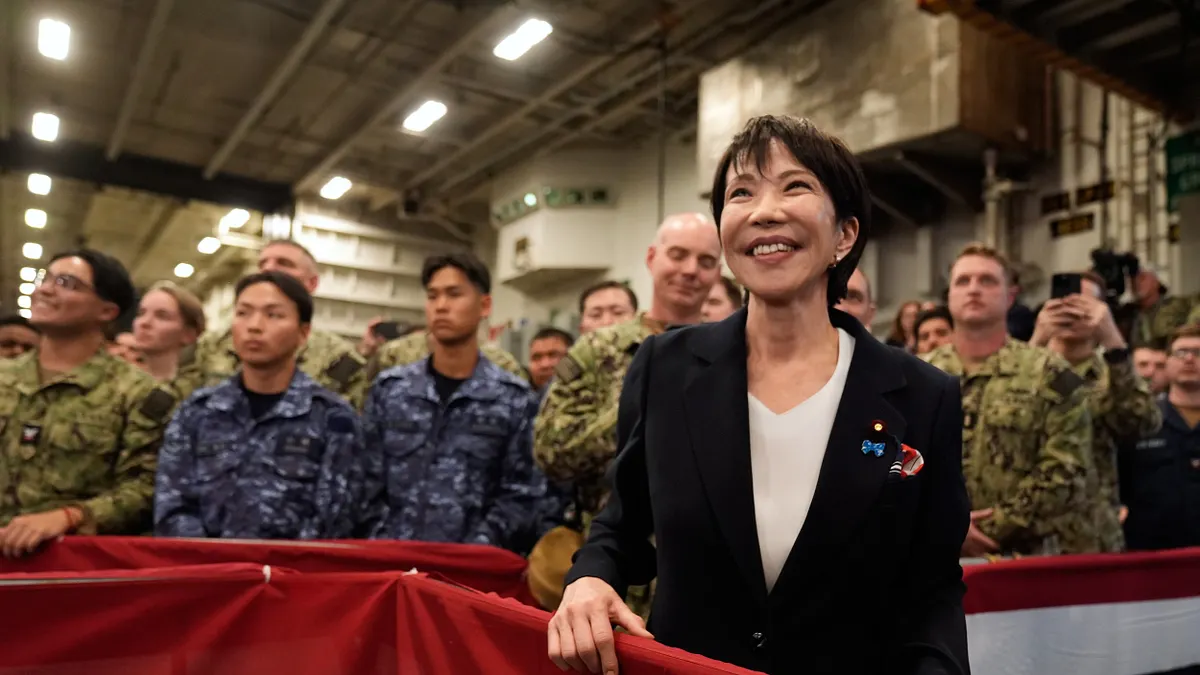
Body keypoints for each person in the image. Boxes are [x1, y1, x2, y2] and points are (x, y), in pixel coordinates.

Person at [548, 115, 969, 675]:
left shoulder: (922, 396)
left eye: (795, 186)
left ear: (844, 235)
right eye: (741, 193)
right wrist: (590, 578)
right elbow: (622, 525)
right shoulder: (665, 368)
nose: (763, 211)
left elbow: (933, 586)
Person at [534, 212, 722, 616]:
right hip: (610, 570)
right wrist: (640, 409)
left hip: (701, 572)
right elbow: (550, 451)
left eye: (706, 261)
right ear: (652, 258)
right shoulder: (597, 350)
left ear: (719, 272)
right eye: (678, 255)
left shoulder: (732, 354)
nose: (691, 270)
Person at [154, 272, 365, 539]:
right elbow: (172, 505)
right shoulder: (197, 413)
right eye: (243, 313)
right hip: (206, 563)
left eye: (273, 315)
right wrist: (214, 558)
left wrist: (274, 563)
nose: (254, 326)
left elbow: (336, 518)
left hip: (296, 565)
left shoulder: (332, 419)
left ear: (303, 333)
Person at [924, 244, 1098, 556]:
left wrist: (991, 528)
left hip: (1025, 554)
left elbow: (1067, 467)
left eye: (987, 280)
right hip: (933, 553)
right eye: (963, 281)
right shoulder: (916, 374)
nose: (974, 289)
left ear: (1010, 296)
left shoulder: (1050, 372)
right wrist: (943, 523)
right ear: (949, 296)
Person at [363, 253, 544, 549]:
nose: (441, 306)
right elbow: (364, 480)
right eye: (432, 296)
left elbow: (522, 492)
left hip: (472, 564)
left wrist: (479, 547)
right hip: (392, 558)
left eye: (454, 294)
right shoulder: (391, 390)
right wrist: (384, 540)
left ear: (484, 306)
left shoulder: (514, 399)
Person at [0, 250, 174, 555]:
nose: (46, 289)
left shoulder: (136, 393)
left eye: (66, 283)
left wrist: (73, 516)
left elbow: (147, 487)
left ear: (106, 311)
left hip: (71, 561)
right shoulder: (4, 377)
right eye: (46, 278)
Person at [187, 240, 368, 407]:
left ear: (312, 283)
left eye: (284, 263)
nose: (268, 269)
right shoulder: (211, 345)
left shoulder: (339, 359)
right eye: (262, 264)